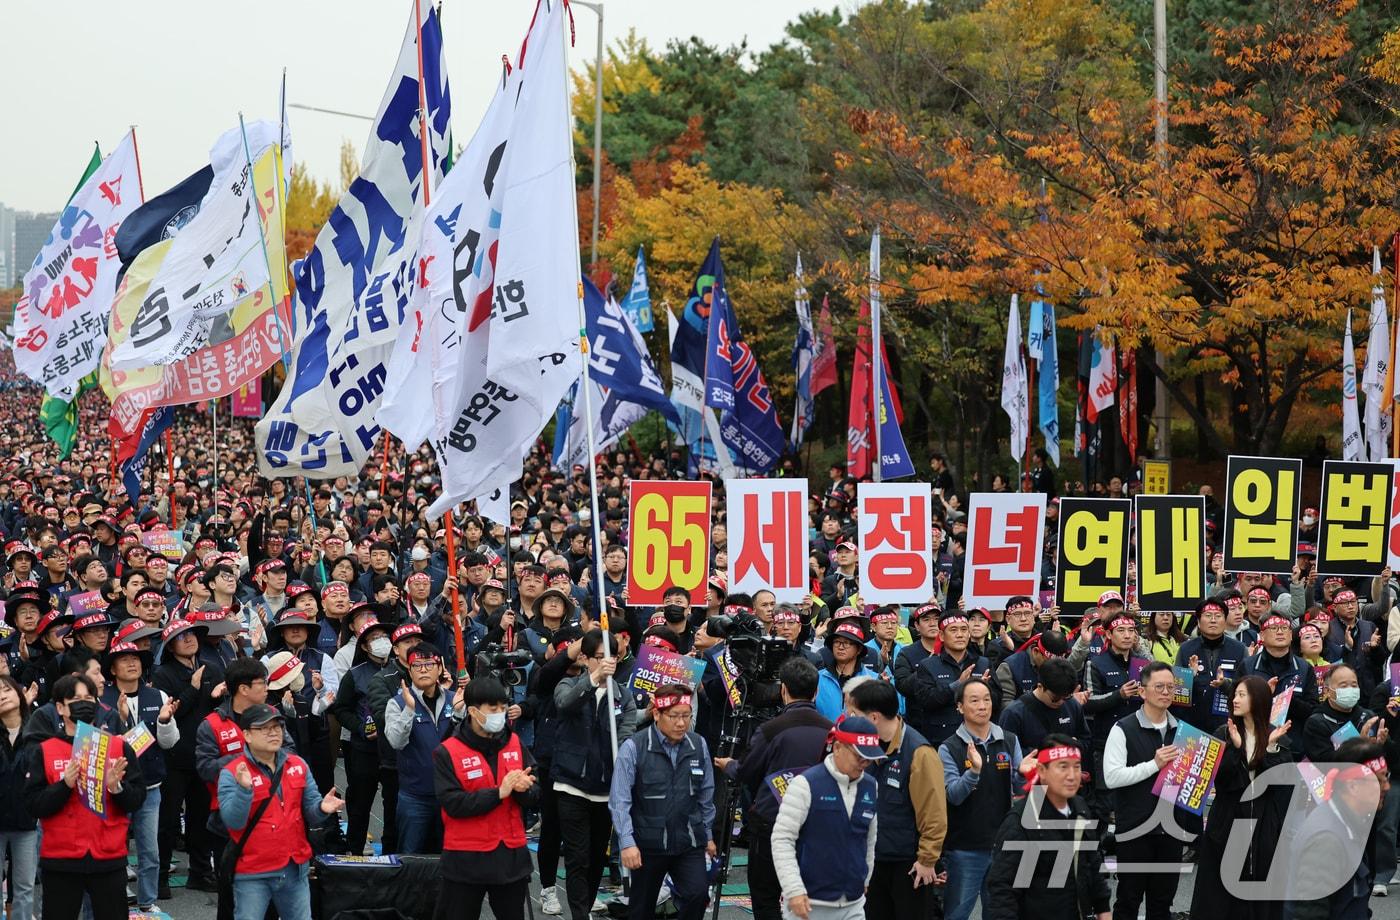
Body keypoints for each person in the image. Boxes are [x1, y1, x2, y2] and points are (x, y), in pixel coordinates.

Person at [712, 657, 831, 920]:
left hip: (772, 821)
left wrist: (729, 765)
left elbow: (745, 771)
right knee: (811, 895)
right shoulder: (831, 730)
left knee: (765, 896)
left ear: (783, 690)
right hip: (817, 822)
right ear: (816, 691)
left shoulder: (771, 729)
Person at [24, 673, 147, 920]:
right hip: (61, 858)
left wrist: (116, 787)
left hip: (109, 855)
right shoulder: (45, 750)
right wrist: (64, 785)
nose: (83, 703)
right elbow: (34, 804)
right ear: (60, 708)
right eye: (75, 699)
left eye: (89, 698)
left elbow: (137, 799)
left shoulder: (118, 747)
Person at [217, 702, 343, 920]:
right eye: (264, 728)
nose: (273, 733)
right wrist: (244, 790)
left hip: (294, 867)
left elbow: (312, 813)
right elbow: (233, 822)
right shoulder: (232, 772)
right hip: (253, 872)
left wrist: (322, 808)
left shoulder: (298, 764)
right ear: (247, 735)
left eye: (277, 727)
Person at [435, 677, 540, 920]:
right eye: (493, 709)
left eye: (503, 708)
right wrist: (498, 793)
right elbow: (453, 803)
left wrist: (524, 789)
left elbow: (535, 790)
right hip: (466, 856)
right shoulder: (448, 751)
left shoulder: (514, 742)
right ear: (473, 711)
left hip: (510, 854)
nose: (500, 714)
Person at [1188, 675, 1292, 920]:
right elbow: (1224, 781)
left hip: (1264, 820)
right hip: (1229, 818)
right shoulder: (1225, 732)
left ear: (1258, 699)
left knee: (1262, 884)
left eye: (1242, 695)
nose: (1235, 699)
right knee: (1221, 891)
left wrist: (1268, 748)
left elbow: (1280, 780)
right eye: (1235, 694)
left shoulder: (1277, 735)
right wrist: (1236, 749)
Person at [552, 627, 639, 920]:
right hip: (571, 786)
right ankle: (580, 915)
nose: (605, 662)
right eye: (599, 657)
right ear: (586, 658)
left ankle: (585, 907)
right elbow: (565, 705)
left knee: (595, 858)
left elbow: (626, 736)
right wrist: (593, 680)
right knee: (577, 857)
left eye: (610, 657)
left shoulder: (624, 697)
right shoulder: (569, 684)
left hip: (605, 789)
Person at [609, 685, 716, 920]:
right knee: (641, 909)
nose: (681, 723)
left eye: (686, 716)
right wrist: (627, 842)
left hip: (688, 841)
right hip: (648, 844)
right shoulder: (634, 747)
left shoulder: (698, 745)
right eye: (674, 716)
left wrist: (707, 834)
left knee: (698, 894)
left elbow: (706, 795)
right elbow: (619, 801)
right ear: (657, 714)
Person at [1102, 661, 1196, 920]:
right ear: (1142, 691)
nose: (1166, 692)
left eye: (1171, 687)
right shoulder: (1123, 728)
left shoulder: (1183, 731)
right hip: (1134, 828)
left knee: (1162, 902)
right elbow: (1112, 777)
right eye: (1159, 687)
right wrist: (1154, 765)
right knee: (1128, 900)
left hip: (1172, 829)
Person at [846, 679, 946, 920]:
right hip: (871, 860)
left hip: (908, 865)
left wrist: (927, 860)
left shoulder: (919, 753)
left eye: (855, 714)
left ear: (874, 717)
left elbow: (934, 814)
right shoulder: (864, 746)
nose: (849, 718)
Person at [769, 715, 885, 920]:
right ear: (838, 748)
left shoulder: (870, 786)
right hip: (809, 903)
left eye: (869, 758)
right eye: (859, 756)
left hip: (853, 903)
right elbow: (782, 838)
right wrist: (793, 889)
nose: (864, 763)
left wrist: (865, 879)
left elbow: (869, 838)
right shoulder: (805, 784)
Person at [984, 735, 1110, 920]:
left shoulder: (1080, 807)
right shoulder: (1023, 820)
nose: (1072, 775)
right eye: (1063, 767)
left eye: (1076, 767)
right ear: (1042, 771)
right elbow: (1003, 889)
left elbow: (1092, 863)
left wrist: (1103, 908)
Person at [939, 677, 1026, 920]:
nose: (982, 706)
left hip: (1002, 845)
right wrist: (974, 772)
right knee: (956, 913)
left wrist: (1024, 774)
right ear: (960, 707)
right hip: (964, 848)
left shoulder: (1009, 740)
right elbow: (953, 796)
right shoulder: (949, 747)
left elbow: (1019, 789)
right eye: (974, 701)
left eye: (986, 700)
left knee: (1000, 913)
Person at [102, 640, 179, 911]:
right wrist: (122, 721)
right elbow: (100, 744)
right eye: (124, 660)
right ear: (112, 669)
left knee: (150, 851)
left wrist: (165, 721)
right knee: (113, 847)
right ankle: (117, 895)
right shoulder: (102, 699)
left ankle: (147, 902)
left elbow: (169, 742)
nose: (132, 663)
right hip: (115, 787)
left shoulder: (157, 695)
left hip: (150, 785)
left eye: (135, 659)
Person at [1284, 737, 1390, 919]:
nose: (1387, 787)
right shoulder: (1327, 840)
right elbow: (1308, 915)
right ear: (1353, 786)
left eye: (1386, 777)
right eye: (1379, 780)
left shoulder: (1347, 823)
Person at [385, 643, 459, 854]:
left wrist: (461, 713)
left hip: (450, 794)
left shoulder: (454, 700)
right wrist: (409, 709)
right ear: (409, 671)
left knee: (450, 856)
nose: (423, 669)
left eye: (429, 664)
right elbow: (396, 742)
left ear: (440, 668)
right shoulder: (397, 703)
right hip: (415, 796)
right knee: (410, 856)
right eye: (417, 665)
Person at [0, 674, 37, 920]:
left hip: (27, 822)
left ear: (19, 694)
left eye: (6, 689)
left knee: (24, 887)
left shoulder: (36, 729)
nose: (2, 696)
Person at [1302, 663, 1380, 763]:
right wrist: (1360, 746)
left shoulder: (1368, 717)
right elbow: (1324, 762)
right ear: (1327, 691)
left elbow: (1390, 757)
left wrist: (1383, 744)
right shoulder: (1316, 723)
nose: (1350, 690)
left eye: (1354, 685)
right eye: (1343, 686)